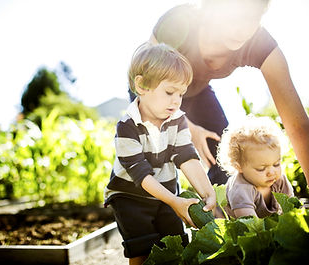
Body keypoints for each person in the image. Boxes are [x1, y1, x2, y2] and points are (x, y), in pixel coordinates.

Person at [134, 0, 309, 185]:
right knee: (152, 158)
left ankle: (226, 208)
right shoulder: (178, 24)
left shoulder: (260, 43)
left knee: (224, 156)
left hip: (197, 92)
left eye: (253, 18)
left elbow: (298, 127)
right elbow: (146, 85)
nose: (243, 30)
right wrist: (186, 126)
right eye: (234, 17)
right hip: (149, 92)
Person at [104, 42, 216, 265]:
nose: (176, 100)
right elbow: (141, 174)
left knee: (175, 244)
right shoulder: (126, 127)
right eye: (169, 92)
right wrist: (174, 201)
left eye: (181, 94)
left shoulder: (178, 120)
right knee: (141, 249)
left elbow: (186, 156)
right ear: (142, 85)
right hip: (130, 197)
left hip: (166, 193)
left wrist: (207, 191)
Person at [217, 116, 294, 218]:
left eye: (276, 164)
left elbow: (293, 209)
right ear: (239, 167)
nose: (272, 172)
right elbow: (250, 226)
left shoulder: (279, 180)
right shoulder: (240, 189)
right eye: (261, 169)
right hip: (243, 228)